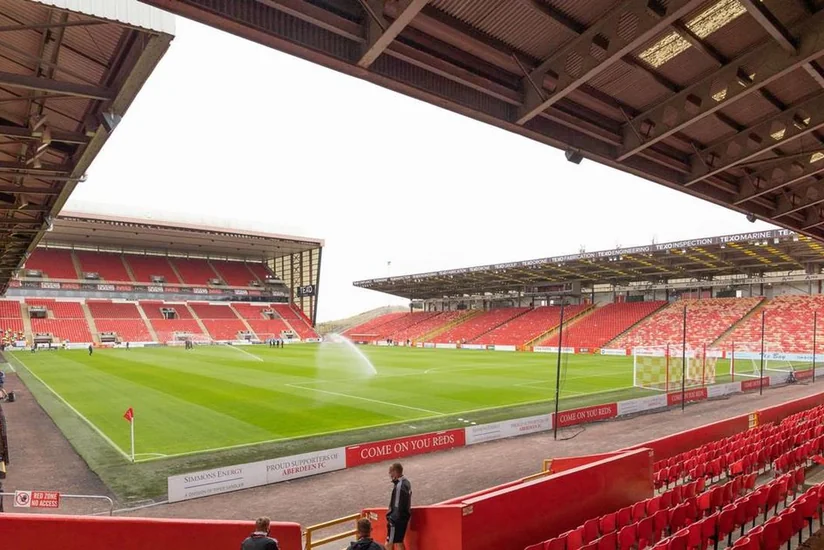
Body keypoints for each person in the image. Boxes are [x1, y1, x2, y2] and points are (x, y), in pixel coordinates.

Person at [386, 463, 411, 550]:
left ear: (395, 472)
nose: (390, 474)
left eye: (391, 472)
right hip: (403, 518)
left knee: (388, 544)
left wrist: (391, 519)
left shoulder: (399, 486)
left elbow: (397, 506)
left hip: (396, 521)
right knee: (399, 542)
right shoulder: (406, 482)